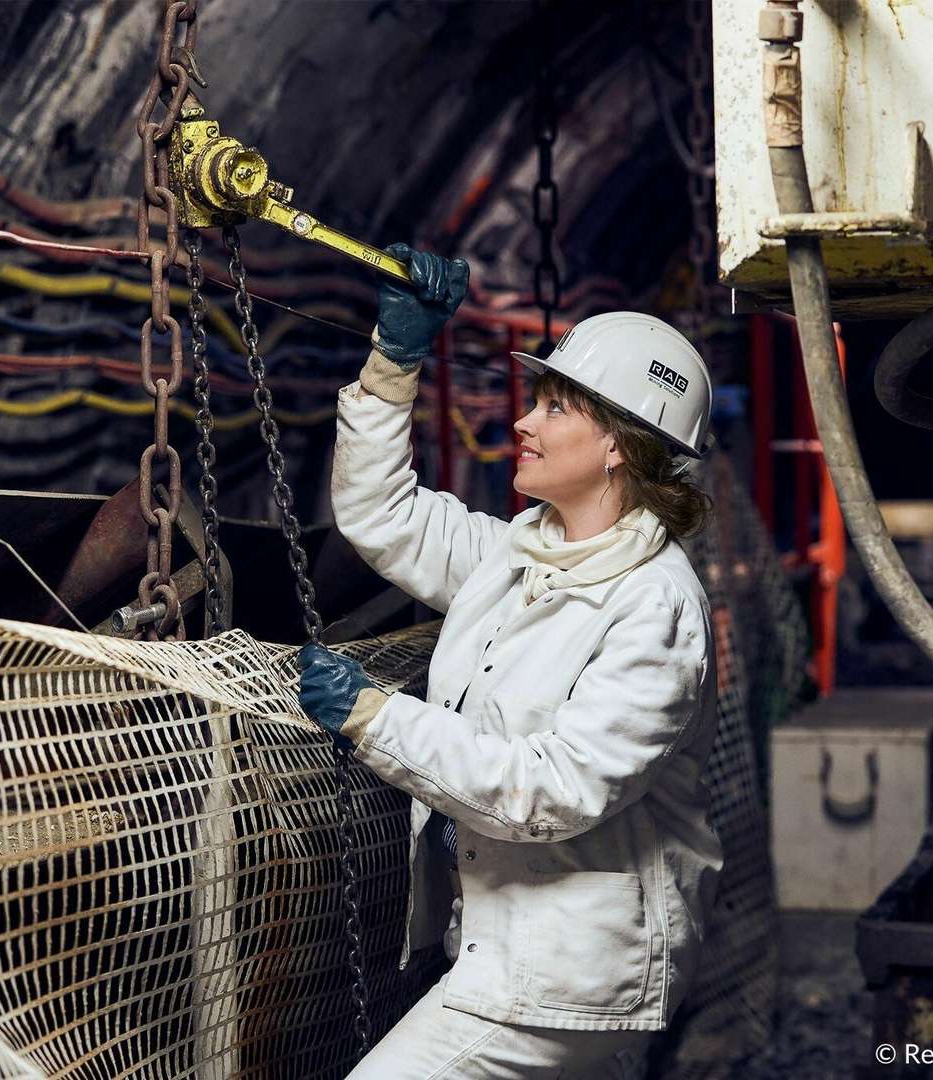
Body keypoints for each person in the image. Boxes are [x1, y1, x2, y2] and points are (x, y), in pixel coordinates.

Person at [297, 245, 724, 1079]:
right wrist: (395, 361)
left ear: (618, 447)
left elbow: (554, 790)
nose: (524, 420)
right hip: (504, 947)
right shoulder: (516, 558)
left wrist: (377, 718)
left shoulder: (656, 607)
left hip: (574, 973)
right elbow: (379, 513)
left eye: (557, 407)